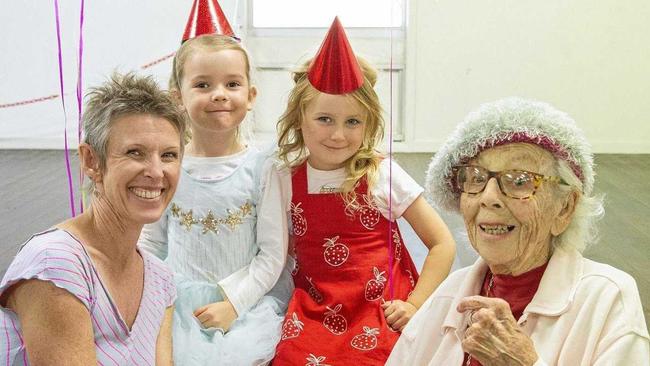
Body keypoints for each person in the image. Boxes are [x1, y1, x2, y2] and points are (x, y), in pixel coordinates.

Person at [387, 97, 650, 365]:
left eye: (520, 181)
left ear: (564, 208)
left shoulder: (607, 299)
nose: (489, 197)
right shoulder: (449, 295)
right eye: (476, 178)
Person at [271, 18, 456, 365]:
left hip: (379, 311)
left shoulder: (380, 173)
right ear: (299, 118)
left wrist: (414, 305)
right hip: (313, 312)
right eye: (325, 119)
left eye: (352, 122)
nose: (338, 135)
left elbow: (442, 243)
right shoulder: (285, 179)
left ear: (368, 123)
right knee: (287, 358)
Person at [0, 72, 185, 365]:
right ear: (91, 161)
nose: (156, 171)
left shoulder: (161, 281)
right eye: (135, 152)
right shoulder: (56, 263)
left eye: (169, 155)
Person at [138, 33, 291, 365]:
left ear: (250, 96)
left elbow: (272, 253)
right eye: (203, 85)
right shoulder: (170, 165)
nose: (219, 95)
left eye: (232, 84)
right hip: (178, 303)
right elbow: (152, 241)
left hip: (244, 302)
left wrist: (234, 305)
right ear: (177, 98)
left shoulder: (264, 167)